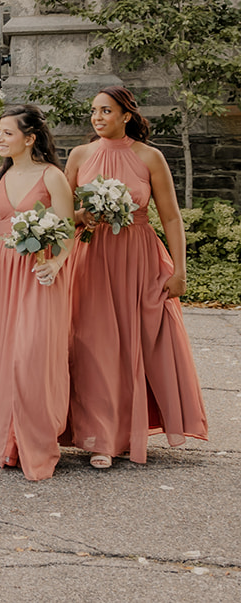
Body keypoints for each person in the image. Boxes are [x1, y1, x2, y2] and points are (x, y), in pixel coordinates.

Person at [64, 87, 208, 468]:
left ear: (126, 115)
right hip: (92, 257)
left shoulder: (149, 156)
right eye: (94, 111)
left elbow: (172, 217)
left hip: (139, 257)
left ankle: (131, 430)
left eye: (106, 111)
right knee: (94, 345)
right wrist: (82, 216)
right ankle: (102, 438)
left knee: (139, 342)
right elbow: (63, 213)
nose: (97, 118)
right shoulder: (79, 155)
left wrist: (180, 272)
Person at [0, 104, 74, 481]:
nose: (0, 138)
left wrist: (56, 263)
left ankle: (36, 444)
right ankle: (6, 442)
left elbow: (69, 230)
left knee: (29, 358)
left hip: (38, 272)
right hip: (1, 274)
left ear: (29, 138)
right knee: (0, 358)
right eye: (0, 133)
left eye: (7, 133)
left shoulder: (52, 177)